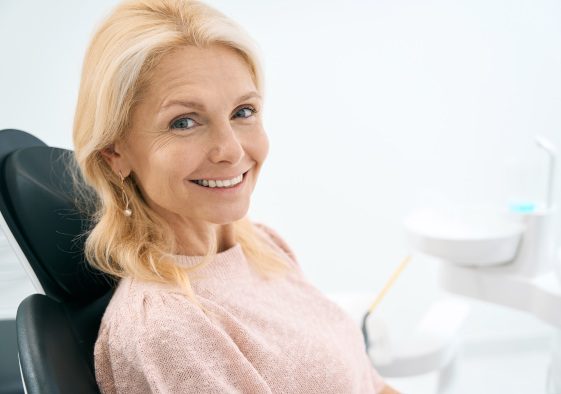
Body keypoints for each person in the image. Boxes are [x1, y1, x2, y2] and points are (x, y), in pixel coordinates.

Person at [72, 0, 398, 392]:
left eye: (243, 112)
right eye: (184, 122)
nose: (231, 150)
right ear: (115, 152)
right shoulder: (168, 327)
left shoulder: (261, 245)